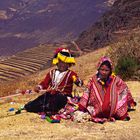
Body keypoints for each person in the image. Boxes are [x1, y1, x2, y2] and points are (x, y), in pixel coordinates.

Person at [24, 48, 83, 115]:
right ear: (57, 62)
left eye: (64, 62)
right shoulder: (51, 72)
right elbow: (44, 83)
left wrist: (78, 81)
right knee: (32, 105)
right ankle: (38, 107)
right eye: (60, 61)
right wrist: (39, 87)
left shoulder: (71, 74)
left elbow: (79, 83)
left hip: (63, 97)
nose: (62, 64)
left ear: (68, 64)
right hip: (50, 95)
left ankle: (49, 109)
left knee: (56, 101)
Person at [78, 56, 136, 123]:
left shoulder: (115, 80)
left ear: (110, 70)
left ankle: (118, 113)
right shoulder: (93, 80)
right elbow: (87, 92)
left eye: (106, 70)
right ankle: (100, 113)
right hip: (96, 108)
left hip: (113, 109)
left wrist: (127, 101)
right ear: (98, 69)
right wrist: (82, 105)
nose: (104, 72)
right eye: (102, 70)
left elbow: (124, 88)